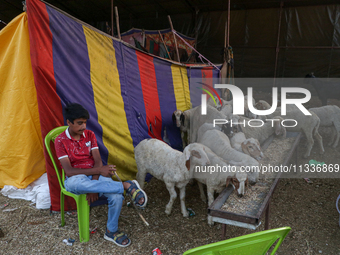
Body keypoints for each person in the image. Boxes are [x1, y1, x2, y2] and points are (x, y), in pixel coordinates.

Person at [54, 103, 147, 247]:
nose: (84, 126)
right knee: (76, 183)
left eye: (85, 122)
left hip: (94, 176)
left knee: (117, 196)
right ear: (69, 122)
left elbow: (98, 162)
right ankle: (125, 185)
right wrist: (97, 175)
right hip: (76, 178)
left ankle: (111, 231)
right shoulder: (60, 141)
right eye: (79, 123)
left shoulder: (90, 135)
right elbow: (70, 171)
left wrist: (94, 186)